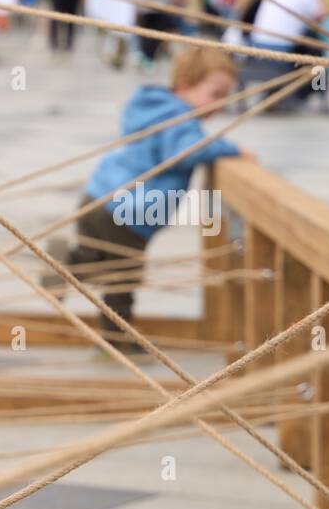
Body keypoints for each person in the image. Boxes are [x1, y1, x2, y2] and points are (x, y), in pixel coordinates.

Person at [42, 49, 254, 357]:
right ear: (184, 85)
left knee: (102, 262)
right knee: (123, 279)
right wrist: (233, 149)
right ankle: (117, 341)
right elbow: (189, 150)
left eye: (226, 96)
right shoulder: (180, 119)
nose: (221, 104)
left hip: (99, 195)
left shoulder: (151, 108)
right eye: (216, 94)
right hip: (129, 213)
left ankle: (69, 263)